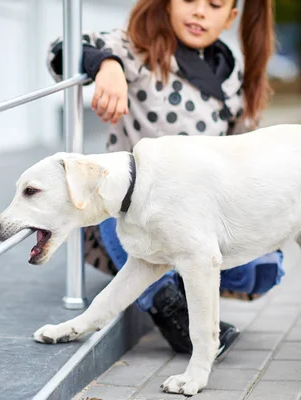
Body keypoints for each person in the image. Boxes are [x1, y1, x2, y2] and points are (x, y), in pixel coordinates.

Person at [46, 0, 284, 357]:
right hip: (133, 211)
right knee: (126, 211)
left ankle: (185, 279)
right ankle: (166, 303)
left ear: (230, 17)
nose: (200, 11)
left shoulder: (233, 72)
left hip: (198, 215)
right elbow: (59, 51)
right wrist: (107, 65)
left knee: (264, 269)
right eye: (189, 0)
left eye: (215, 4)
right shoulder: (139, 49)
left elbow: (243, 155)